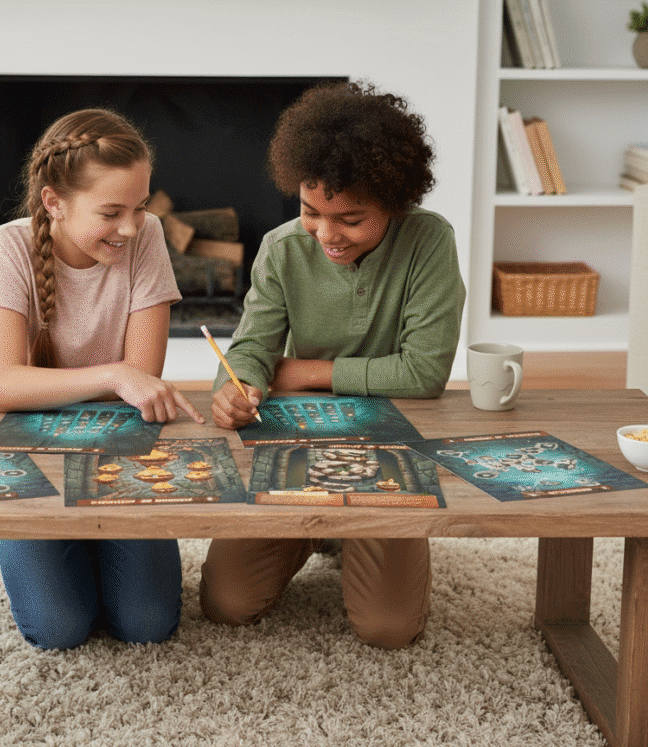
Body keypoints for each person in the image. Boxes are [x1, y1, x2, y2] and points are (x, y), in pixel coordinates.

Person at [201, 81, 466, 649]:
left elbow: (423, 373)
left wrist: (303, 372)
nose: (327, 234)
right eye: (311, 212)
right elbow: (251, 347)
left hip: (391, 453)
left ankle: (360, 536)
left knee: (388, 629)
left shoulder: (429, 241)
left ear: (394, 205)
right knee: (226, 604)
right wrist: (238, 383)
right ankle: (310, 536)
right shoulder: (280, 249)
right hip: (296, 446)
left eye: (350, 218)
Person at [0, 108, 204, 649]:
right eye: (112, 211)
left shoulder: (148, 238)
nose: (131, 227)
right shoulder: (9, 245)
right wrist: (115, 375)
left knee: (147, 625)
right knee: (57, 628)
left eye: (140, 207)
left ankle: (98, 546)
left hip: (121, 456)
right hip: (36, 461)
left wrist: (36, 384)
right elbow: (5, 387)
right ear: (54, 202)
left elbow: (144, 379)